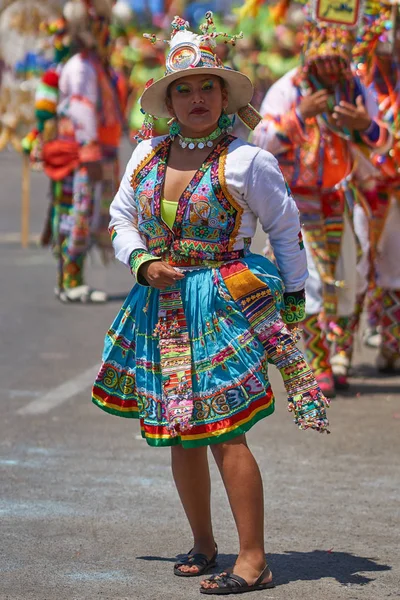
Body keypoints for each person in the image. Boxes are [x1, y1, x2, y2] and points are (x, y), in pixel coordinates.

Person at [92, 13, 329, 595]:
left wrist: (295, 298)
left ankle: (254, 560)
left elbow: (286, 229)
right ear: (168, 100)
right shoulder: (145, 155)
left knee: (226, 430)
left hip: (223, 303)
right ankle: (204, 543)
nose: (196, 98)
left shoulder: (247, 160)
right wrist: (141, 262)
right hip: (164, 306)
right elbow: (120, 219)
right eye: (184, 89)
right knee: (179, 429)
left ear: (224, 95)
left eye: (207, 87)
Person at [253, 19, 392, 396]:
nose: (331, 69)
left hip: (342, 196)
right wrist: (300, 116)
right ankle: (318, 362)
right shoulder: (287, 89)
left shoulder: (355, 88)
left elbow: (382, 144)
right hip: (298, 199)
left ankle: (340, 354)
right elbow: (260, 140)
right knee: (309, 278)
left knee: (352, 275)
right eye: (323, 61)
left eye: (337, 60)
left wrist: (362, 124)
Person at [40, 0, 124, 303]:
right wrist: (90, 152)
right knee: (78, 215)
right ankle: (70, 279)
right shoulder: (82, 67)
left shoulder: (91, 65)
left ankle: (71, 279)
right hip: (81, 155)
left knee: (83, 214)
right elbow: (81, 109)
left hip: (90, 153)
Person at [352, 8, 400, 372]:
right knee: (356, 265)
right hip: (362, 185)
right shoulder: (355, 78)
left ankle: (392, 345)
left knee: (394, 270)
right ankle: (339, 352)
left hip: (394, 187)